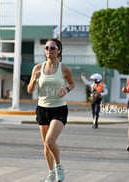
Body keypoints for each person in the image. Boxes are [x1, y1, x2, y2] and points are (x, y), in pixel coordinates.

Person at [27, 39, 74, 182]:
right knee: (46, 146)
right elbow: (30, 90)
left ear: (58, 50)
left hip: (59, 108)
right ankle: (51, 172)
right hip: (42, 109)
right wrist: (34, 80)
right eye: (46, 47)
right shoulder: (37, 68)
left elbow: (72, 84)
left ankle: (59, 166)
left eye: (52, 47)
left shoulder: (64, 68)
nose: (49, 50)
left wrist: (66, 89)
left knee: (50, 139)